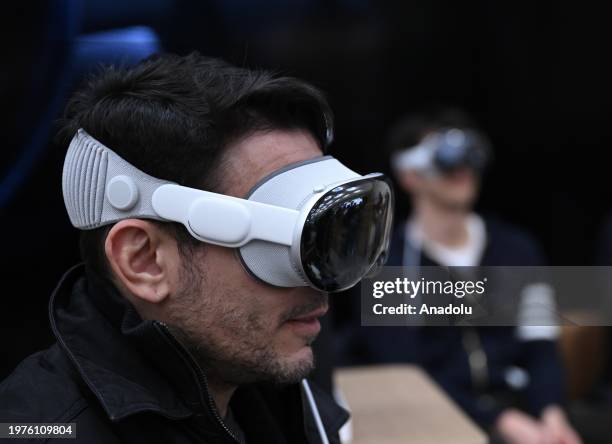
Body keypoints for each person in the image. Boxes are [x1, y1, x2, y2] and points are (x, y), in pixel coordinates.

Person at [0, 53, 394, 443]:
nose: (327, 287)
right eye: (295, 249)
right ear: (145, 260)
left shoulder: (273, 382)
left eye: (338, 240)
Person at [337, 108, 581, 444]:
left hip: (520, 405)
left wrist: (552, 416)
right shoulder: (385, 264)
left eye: (470, 154)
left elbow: (540, 344)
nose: (462, 168)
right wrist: (502, 422)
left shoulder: (515, 249)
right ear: (409, 174)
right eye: (445, 157)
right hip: (432, 418)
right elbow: (404, 371)